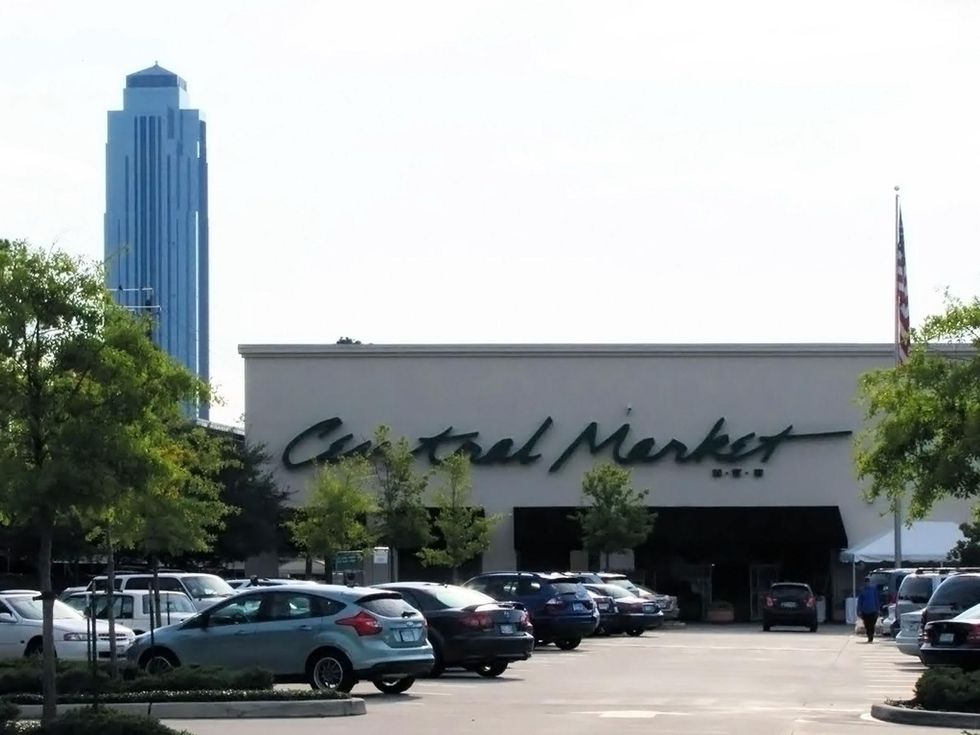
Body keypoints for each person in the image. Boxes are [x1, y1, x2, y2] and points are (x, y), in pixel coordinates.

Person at [857, 576, 881, 643]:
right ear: (864, 583)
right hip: (865, 611)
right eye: (866, 582)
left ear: (869, 582)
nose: (867, 583)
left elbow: (876, 599)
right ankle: (869, 635)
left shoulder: (873, 590)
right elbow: (860, 601)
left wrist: (878, 609)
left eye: (868, 582)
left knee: (872, 624)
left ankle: (871, 636)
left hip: (873, 610)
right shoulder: (862, 590)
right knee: (867, 625)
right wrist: (859, 610)